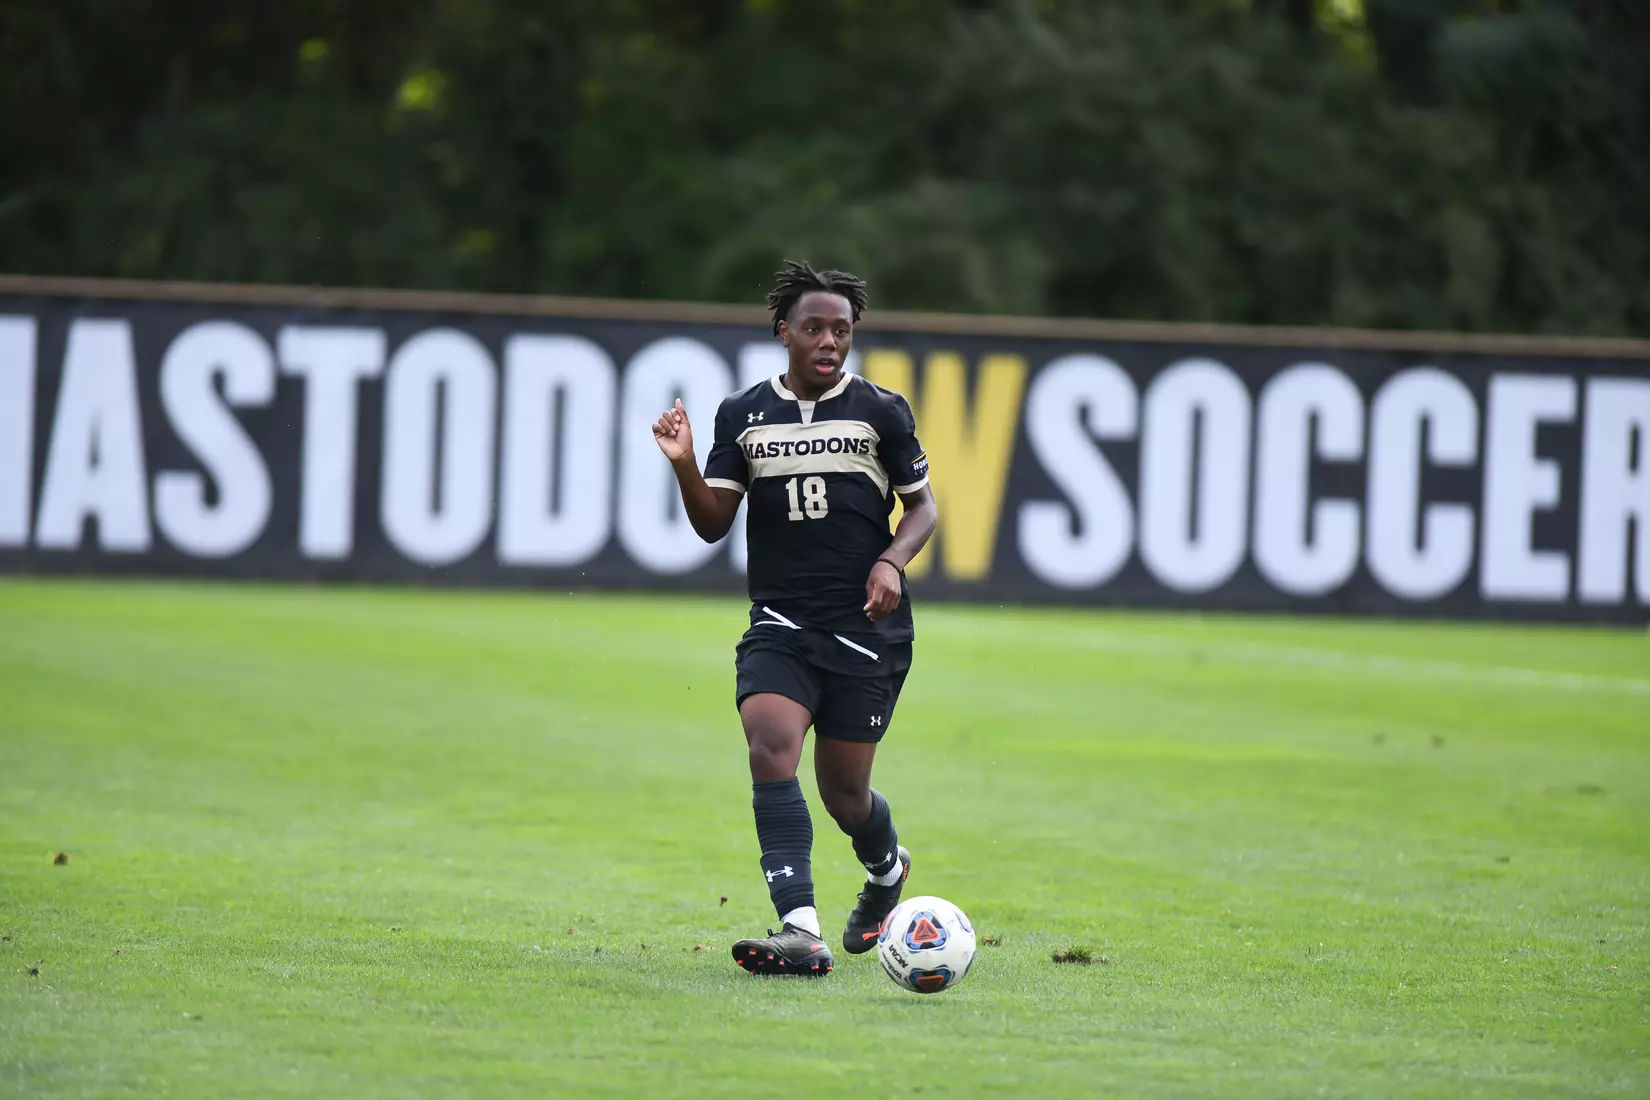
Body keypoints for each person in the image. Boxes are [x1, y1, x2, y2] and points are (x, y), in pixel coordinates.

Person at [651, 260, 938, 976]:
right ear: (784, 331)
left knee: (845, 795)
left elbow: (923, 508)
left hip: (867, 631)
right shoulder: (743, 414)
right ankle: (799, 927)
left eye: (842, 330)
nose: (829, 341)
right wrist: (686, 465)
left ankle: (884, 873)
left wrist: (891, 562)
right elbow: (714, 523)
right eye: (814, 327)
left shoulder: (881, 410)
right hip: (781, 622)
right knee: (771, 743)